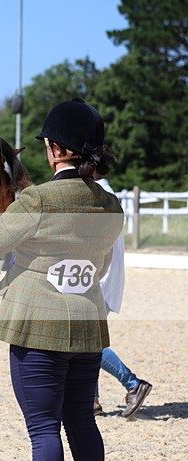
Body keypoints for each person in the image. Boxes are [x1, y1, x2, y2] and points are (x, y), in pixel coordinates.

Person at [0, 98, 124, 461]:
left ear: (55, 149)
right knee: (82, 423)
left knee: (44, 429)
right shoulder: (110, 206)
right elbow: (99, 268)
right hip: (87, 326)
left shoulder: (37, 201)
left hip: (36, 326)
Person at [92, 165, 153, 418]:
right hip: (102, 279)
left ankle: (133, 384)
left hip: (98, 281)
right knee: (87, 343)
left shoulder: (100, 197)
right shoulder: (105, 194)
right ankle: (91, 400)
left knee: (90, 344)